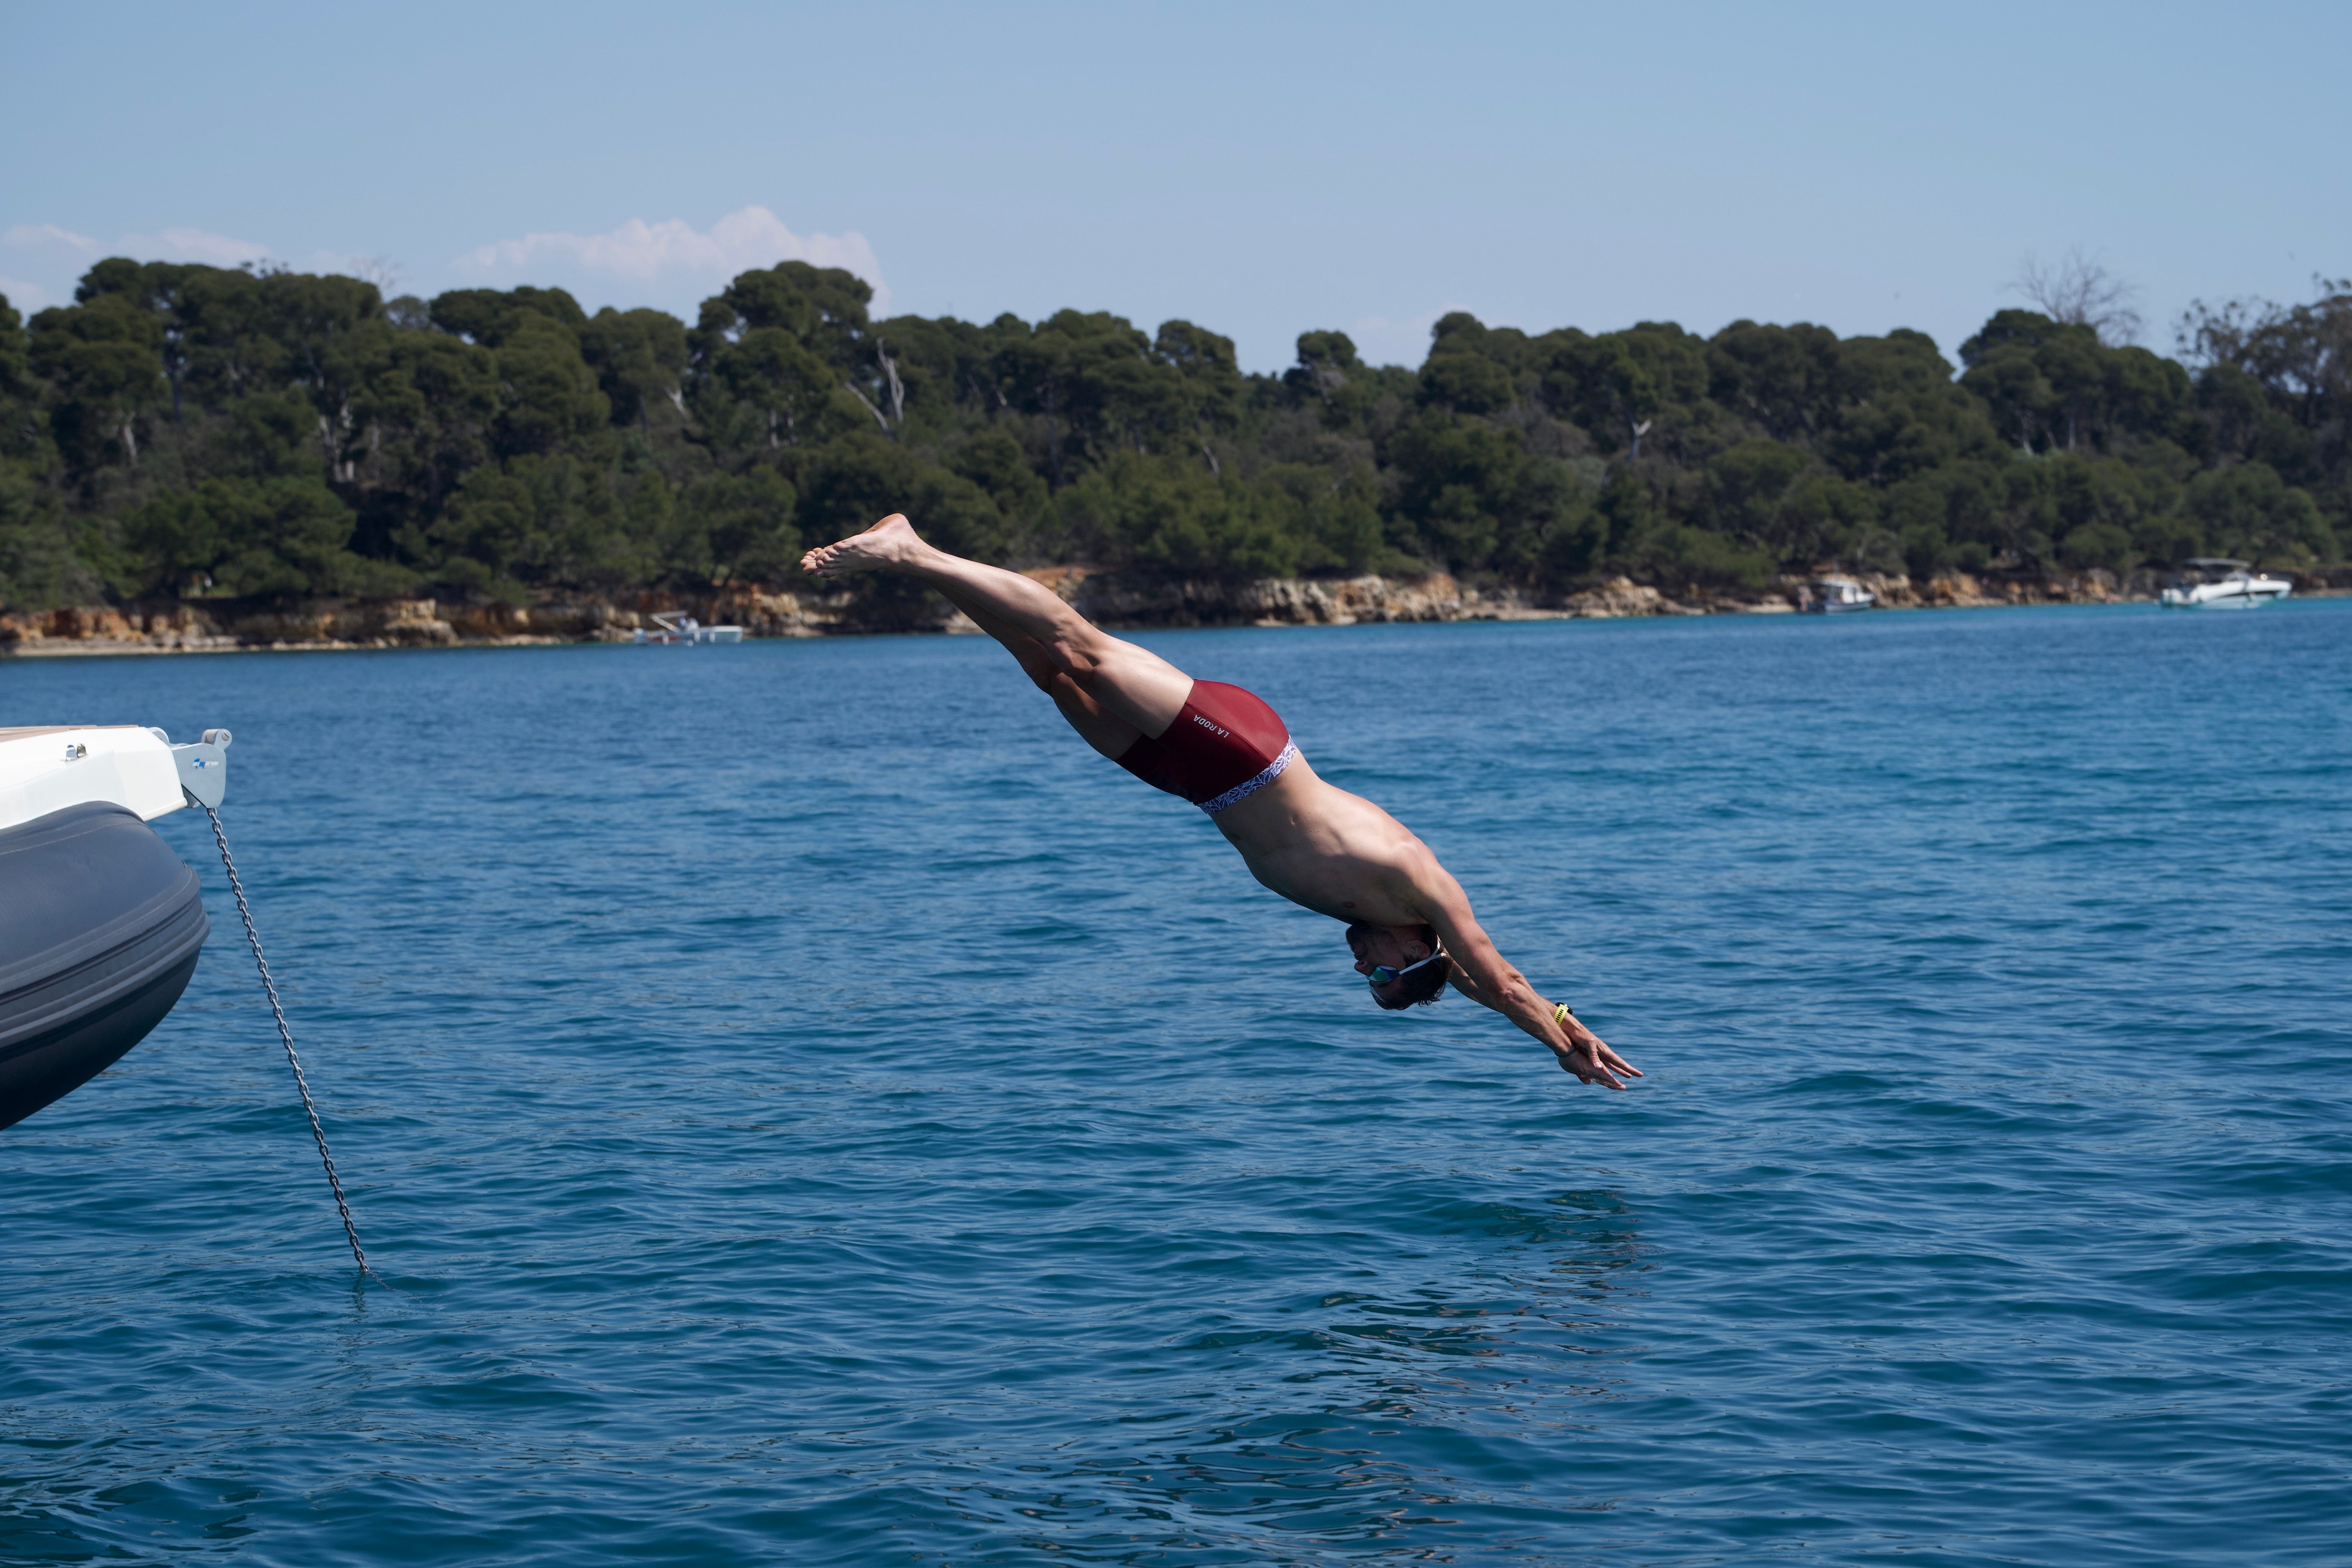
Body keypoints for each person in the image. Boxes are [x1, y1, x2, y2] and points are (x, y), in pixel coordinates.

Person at [801, 514, 1641, 1089]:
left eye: (1370, 981)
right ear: (1413, 948)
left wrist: (1549, 1029)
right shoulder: (1425, 889)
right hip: (1247, 752)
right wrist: (1565, 1040)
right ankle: (911, 551)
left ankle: (927, 568)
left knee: (1050, 676)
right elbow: (1499, 975)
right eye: (1379, 972)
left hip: (1193, 785)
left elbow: (1477, 989)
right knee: (1085, 653)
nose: (1360, 967)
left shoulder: (1400, 932)